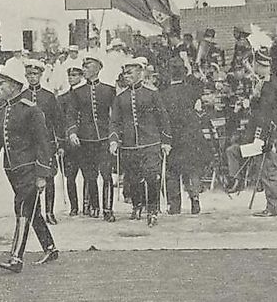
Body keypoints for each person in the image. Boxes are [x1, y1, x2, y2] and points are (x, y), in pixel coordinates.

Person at [0, 59, 58, 273]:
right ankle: (50, 247)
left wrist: (42, 175)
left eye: (1, 83)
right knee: (32, 211)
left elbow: (44, 144)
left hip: (30, 170)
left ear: (13, 85)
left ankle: (16, 258)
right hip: (12, 171)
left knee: (22, 209)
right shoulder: (2, 111)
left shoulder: (31, 110)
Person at [109, 57, 172, 227]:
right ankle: (137, 206)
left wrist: (166, 141)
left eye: (130, 72)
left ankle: (152, 210)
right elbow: (114, 121)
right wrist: (114, 140)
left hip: (151, 143)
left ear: (140, 72)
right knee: (134, 177)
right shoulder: (120, 98)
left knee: (152, 177)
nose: (126, 75)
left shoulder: (152, 94)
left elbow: (163, 119)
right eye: (125, 73)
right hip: (129, 145)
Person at [225, 49, 277, 216]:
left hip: (269, 133)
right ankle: (271, 205)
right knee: (263, 167)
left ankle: (274, 207)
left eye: (254, 65)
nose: (252, 67)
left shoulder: (273, 85)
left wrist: (256, 96)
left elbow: (269, 111)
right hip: (260, 134)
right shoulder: (264, 84)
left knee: (270, 170)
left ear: (261, 66)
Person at [65, 52, 116, 221]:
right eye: (84, 66)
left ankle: (108, 209)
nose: (84, 69)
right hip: (85, 140)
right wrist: (72, 132)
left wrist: (114, 137)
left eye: (88, 66)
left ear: (98, 69)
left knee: (107, 174)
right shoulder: (78, 92)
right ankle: (94, 206)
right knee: (90, 175)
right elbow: (71, 114)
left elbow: (115, 116)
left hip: (104, 138)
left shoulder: (109, 90)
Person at [160, 58, 205, 214]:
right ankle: (195, 199)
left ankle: (174, 205)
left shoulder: (164, 95)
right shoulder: (192, 91)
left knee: (172, 171)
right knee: (191, 169)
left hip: (173, 136)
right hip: (191, 136)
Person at [23, 59, 65, 225]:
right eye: (29, 75)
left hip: (47, 144)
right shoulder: (22, 96)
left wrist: (60, 144)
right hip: (28, 145)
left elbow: (58, 122)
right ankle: (35, 212)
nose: (32, 77)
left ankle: (49, 212)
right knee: (30, 179)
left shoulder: (49, 97)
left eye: (35, 74)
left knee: (49, 177)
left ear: (41, 75)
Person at [57, 61, 85, 216]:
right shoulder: (62, 99)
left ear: (81, 76)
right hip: (69, 144)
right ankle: (74, 207)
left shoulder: (87, 93)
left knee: (89, 175)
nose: (71, 78)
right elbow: (60, 123)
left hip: (86, 141)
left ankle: (88, 205)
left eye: (74, 75)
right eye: (69, 75)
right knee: (70, 176)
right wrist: (61, 143)